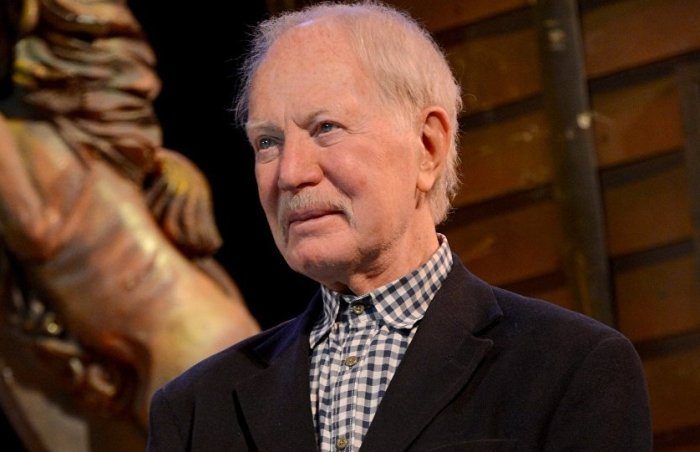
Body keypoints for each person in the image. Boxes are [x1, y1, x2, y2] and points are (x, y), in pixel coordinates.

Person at [147, 3, 652, 451]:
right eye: (267, 142)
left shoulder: (570, 368)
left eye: (326, 128)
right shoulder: (193, 411)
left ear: (428, 147)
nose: (290, 173)